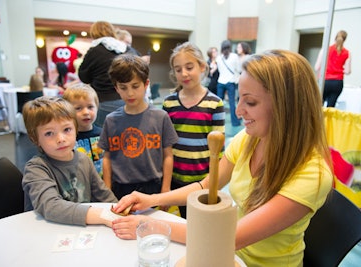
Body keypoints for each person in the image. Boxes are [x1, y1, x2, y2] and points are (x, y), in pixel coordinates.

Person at [111, 50, 334, 266]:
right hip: (229, 255)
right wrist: (153, 199)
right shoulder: (250, 139)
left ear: (287, 107)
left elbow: (229, 238)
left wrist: (151, 224)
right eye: (239, 99)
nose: (237, 111)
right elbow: (208, 185)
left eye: (251, 102)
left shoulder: (312, 174)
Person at [21, 96, 118, 227]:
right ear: (35, 138)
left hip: (79, 229)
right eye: (49, 133)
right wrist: (102, 215)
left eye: (67, 130)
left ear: (76, 129)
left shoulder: (83, 159)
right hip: (47, 230)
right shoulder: (36, 169)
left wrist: (119, 211)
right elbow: (50, 206)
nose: (61, 139)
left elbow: (104, 196)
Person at [98, 54, 179, 199]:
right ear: (116, 88)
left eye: (135, 86)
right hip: (120, 187)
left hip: (153, 186)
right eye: (123, 87)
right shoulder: (111, 120)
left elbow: (168, 155)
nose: (130, 93)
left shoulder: (161, 117)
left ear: (146, 84)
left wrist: (166, 188)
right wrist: (107, 190)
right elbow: (107, 158)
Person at [163, 42, 225, 218]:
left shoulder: (214, 103)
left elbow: (219, 149)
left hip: (202, 180)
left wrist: (215, 182)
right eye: (178, 69)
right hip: (175, 178)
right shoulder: (169, 103)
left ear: (202, 67)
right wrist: (165, 185)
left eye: (189, 67)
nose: (184, 73)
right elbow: (165, 146)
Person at [78, 21, 131, 127]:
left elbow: (83, 76)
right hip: (127, 99)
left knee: (104, 138)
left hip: (103, 101)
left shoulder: (94, 51)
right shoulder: (126, 49)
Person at [63, 84, 105, 176]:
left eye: (90, 107)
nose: (86, 112)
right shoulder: (67, 139)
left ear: (97, 108)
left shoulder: (103, 134)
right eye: (78, 108)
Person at [315, 30, 351, 107]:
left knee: (319, 105)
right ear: (344, 40)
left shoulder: (325, 49)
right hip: (337, 82)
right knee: (331, 107)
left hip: (325, 81)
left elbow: (316, 67)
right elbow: (348, 71)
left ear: (335, 38)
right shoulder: (347, 53)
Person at [216, 40, 241, 127]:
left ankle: (217, 122)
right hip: (231, 82)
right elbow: (238, 69)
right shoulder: (234, 56)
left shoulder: (218, 58)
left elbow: (219, 70)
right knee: (231, 103)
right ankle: (235, 123)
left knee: (218, 103)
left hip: (220, 81)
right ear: (230, 47)